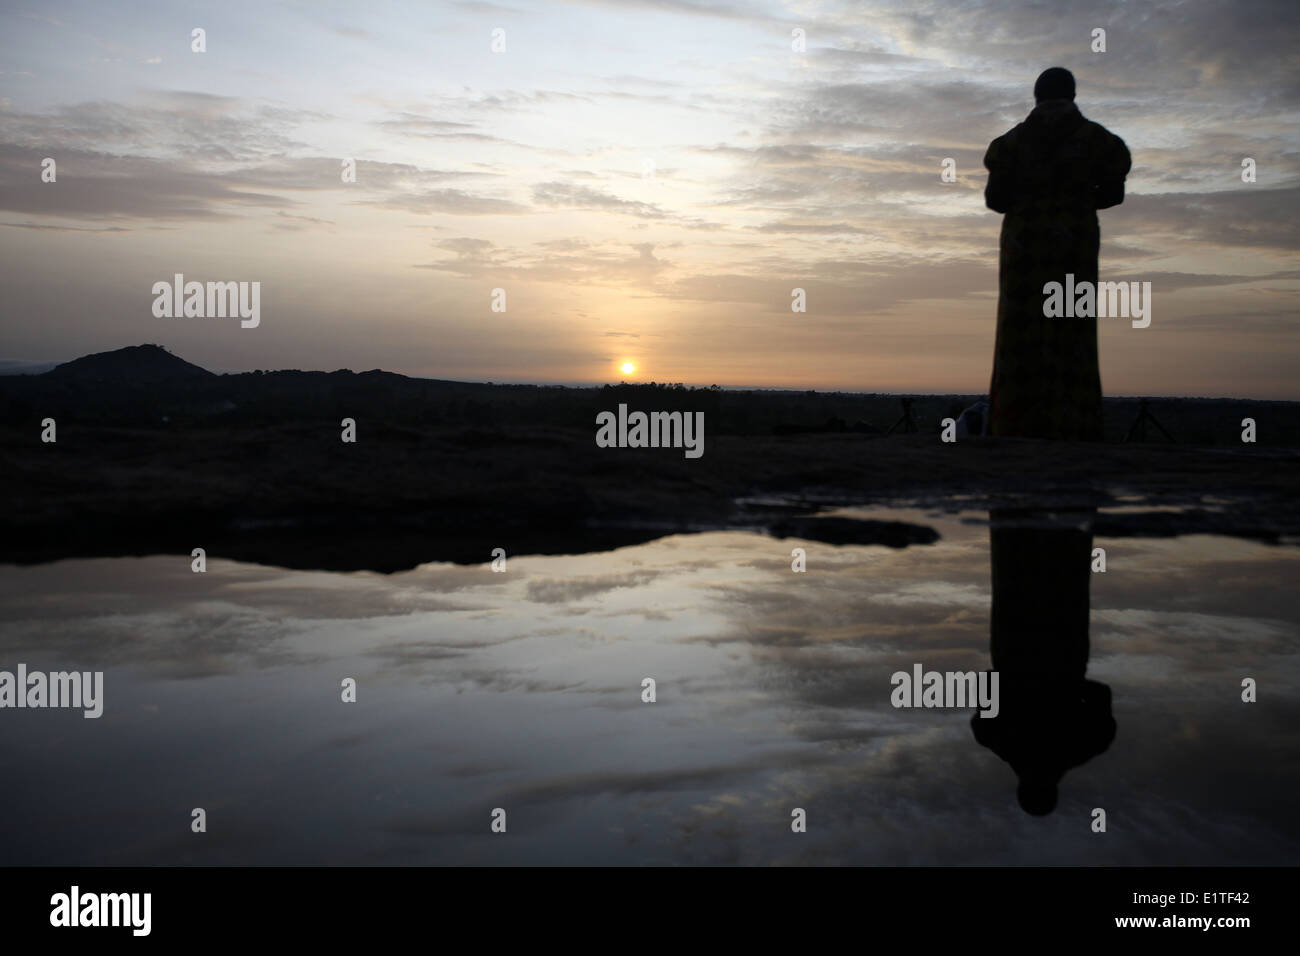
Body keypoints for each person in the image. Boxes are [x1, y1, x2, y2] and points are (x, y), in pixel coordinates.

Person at [984, 67, 1131, 440]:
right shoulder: (1099, 142)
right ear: (1073, 95)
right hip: (1073, 246)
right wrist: (1074, 203)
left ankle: (1015, 424)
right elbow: (1113, 194)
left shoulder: (1009, 145)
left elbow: (996, 200)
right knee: (1072, 332)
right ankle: (1074, 425)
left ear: (1036, 96)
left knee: (1020, 332)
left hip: (1024, 249)